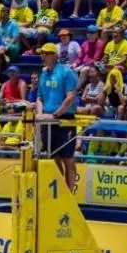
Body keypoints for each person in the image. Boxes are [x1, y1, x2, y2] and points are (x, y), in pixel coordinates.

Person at [35, 42, 79, 192]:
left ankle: (70, 193)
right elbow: (39, 98)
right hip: (48, 120)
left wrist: (54, 115)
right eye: (41, 53)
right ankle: (59, 192)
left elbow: (70, 97)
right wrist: (40, 115)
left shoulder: (66, 72)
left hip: (64, 119)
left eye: (46, 53)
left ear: (54, 55)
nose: (42, 55)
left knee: (68, 158)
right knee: (54, 158)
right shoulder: (43, 74)